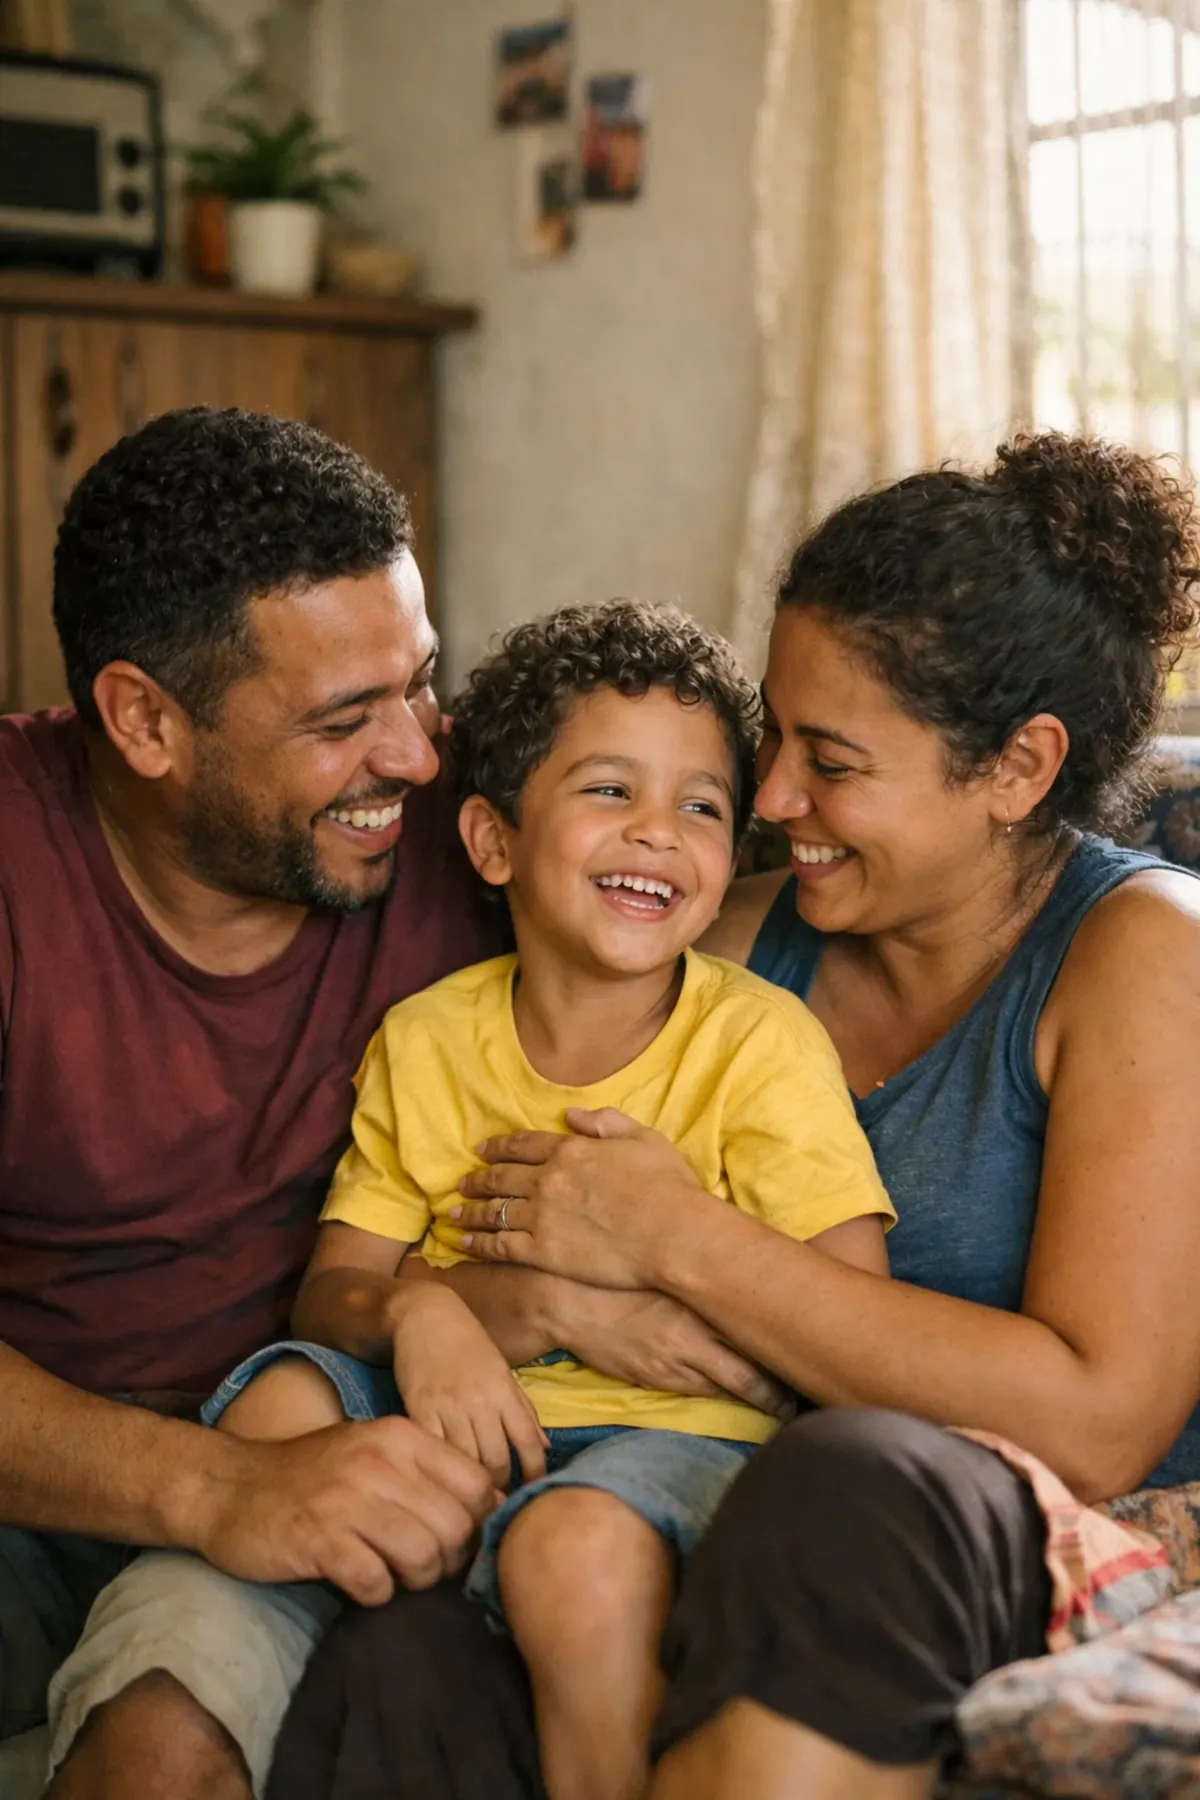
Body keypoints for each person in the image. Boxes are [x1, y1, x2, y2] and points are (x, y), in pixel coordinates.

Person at [267, 433, 1200, 1800]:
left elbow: (1098, 1422)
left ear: (1016, 768)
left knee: (842, 1474)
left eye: (831, 760)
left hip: (977, 1518)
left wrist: (674, 1238)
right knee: (409, 1638)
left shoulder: (1140, 955)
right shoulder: (740, 930)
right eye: (772, 739)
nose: (769, 803)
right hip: (669, 1476)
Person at [3, 406, 794, 1800]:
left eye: (418, 685)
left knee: (160, 1750)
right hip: (80, 1464)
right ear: (143, 720)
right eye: (343, 719)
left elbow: (779, 871)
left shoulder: (486, 844)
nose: (422, 760)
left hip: (326, 1435)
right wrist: (218, 1490)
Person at [205, 599, 894, 1800]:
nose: (661, 836)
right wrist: (425, 1317)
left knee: (571, 1553)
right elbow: (333, 1290)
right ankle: (427, 1568)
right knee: (270, 1416)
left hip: (676, 1439)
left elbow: (854, 1314)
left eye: (703, 806)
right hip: (461, 1412)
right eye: (610, 791)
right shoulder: (425, 1038)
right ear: (490, 841)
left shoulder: (759, 1045)